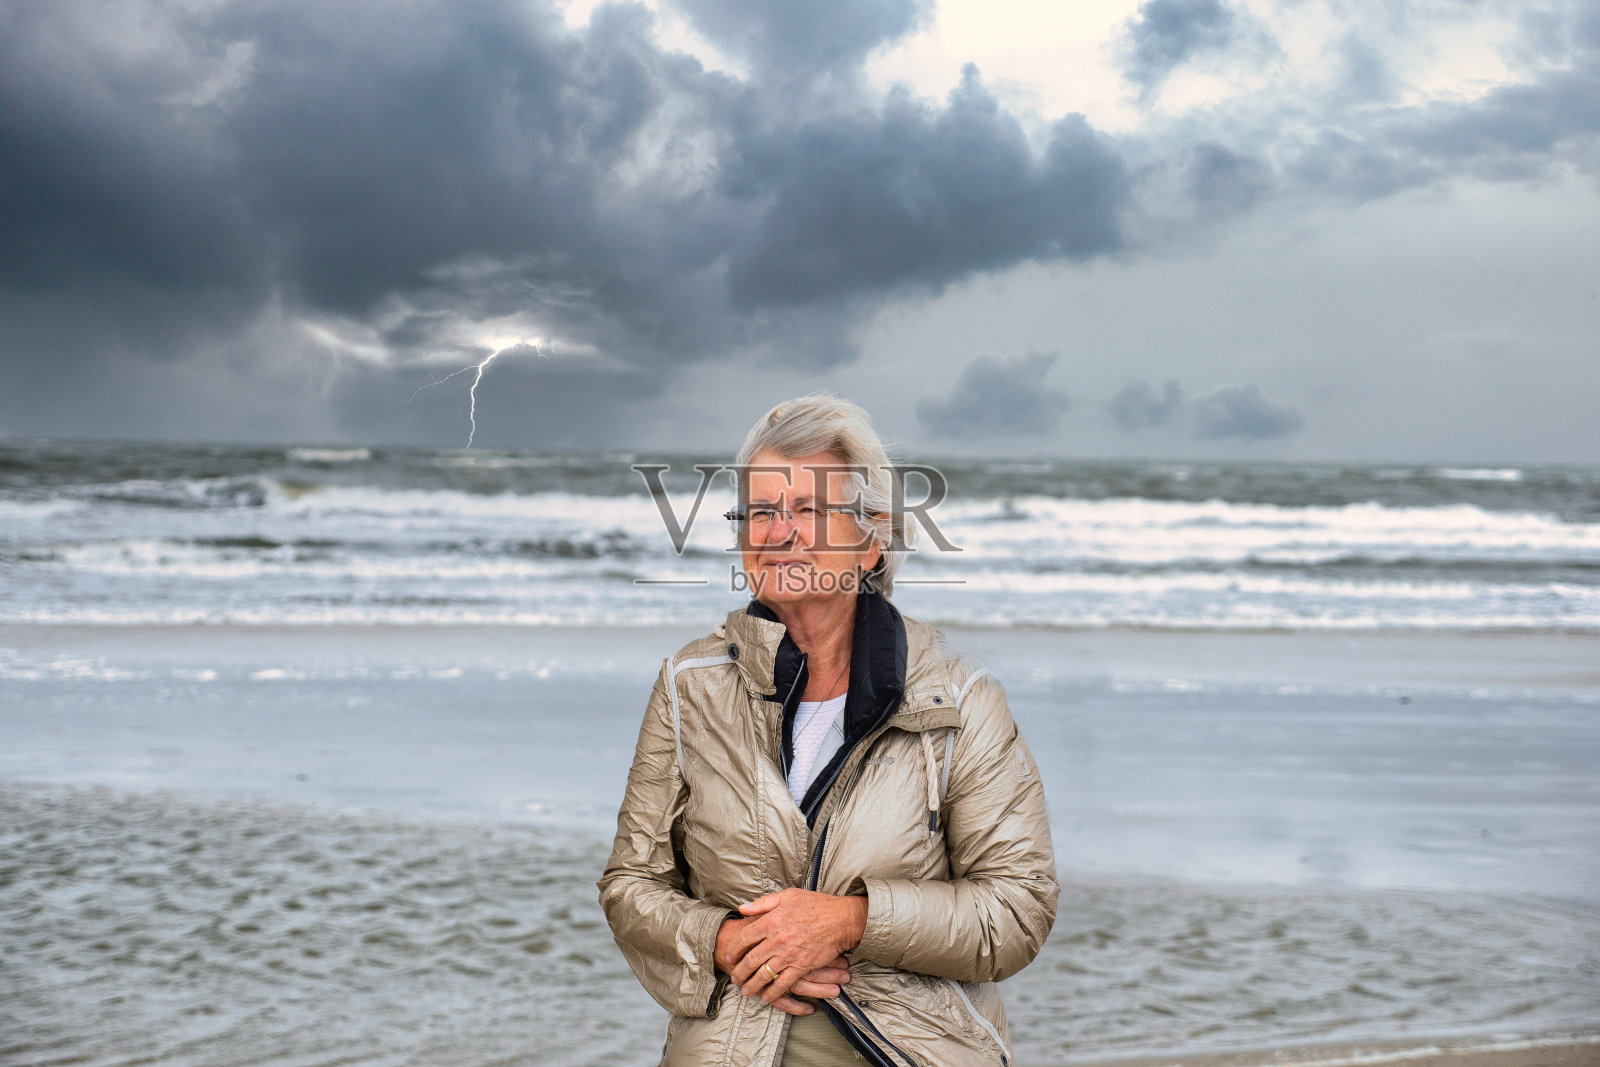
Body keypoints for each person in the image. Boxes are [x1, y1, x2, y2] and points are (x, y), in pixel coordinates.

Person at [599, 396, 1057, 1067]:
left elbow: (1018, 908)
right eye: (760, 511)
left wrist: (850, 922)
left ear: (872, 540)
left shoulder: (959, 699)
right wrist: (726, 940)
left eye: (808, 510)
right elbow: (631, 884)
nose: (778, 532)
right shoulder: (688, 685)